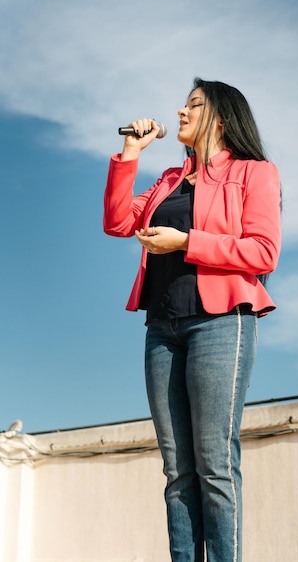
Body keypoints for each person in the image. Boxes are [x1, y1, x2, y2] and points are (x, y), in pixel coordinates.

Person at [103, 77, 281, 562]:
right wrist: (129, 153)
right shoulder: (167, 180)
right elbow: (119, 222)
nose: (180, 113)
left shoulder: (254, 172)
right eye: (182, 105)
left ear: (221, 118)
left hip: (221, 323)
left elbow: (263, 252)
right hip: (162, 327)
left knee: (214, 463)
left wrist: (186, 242)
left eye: (193, 106)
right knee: (176, 469)